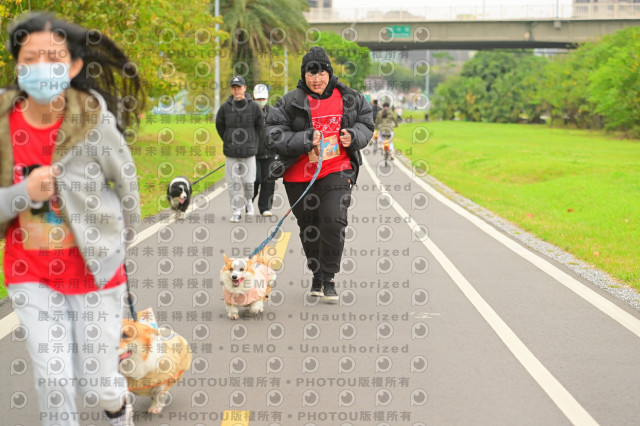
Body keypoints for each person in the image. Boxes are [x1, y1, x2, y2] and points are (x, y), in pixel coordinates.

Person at [0, 12, 144, 426]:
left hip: (94, 271)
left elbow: (127, 186)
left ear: (75, 64)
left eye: (53, 57)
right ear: (17, 65)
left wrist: (119, 248)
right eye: (31, 58)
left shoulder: (94, 120)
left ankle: (117, 407)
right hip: (30, 271)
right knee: (54, 377)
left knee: (98, 383)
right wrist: (22, 194)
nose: (41, 67)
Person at [265, 46, 373, 301]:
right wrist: (304, 139)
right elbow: (272, 134)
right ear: (304, 75)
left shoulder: (349, 97)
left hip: (337, 170)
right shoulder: (289, 101)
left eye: (322, 73)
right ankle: (317, 274)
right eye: (311, 73)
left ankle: (329, 277)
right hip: (299, 177)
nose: (317, 79)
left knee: (333, 221)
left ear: (329, 73)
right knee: (309, 228)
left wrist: (354, 135)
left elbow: (366, 122)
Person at [216, 76, 263, 222]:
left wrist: (253, 141)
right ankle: (236, 210)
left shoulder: (254, 107)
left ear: (245, 88)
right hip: (231, 152)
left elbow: (260, 126)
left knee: (249, 182)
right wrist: (228, 139)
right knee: (233, 183)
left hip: (249, 152)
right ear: (231, 89)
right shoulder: (225, 108)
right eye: (234, 88)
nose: (237, 90)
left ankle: (249, 201)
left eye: (239, 87)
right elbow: (220, 125)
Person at [251, 84, 276, 216]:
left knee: (269, 180)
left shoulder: (273, 112)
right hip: (253, 153)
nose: (261, 101)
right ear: (254, 98)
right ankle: (248, 202)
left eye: (263, 98)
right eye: (258, 99)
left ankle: (265, 207)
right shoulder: (249, 112)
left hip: (270, 153)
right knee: (255, 180)